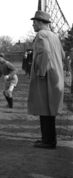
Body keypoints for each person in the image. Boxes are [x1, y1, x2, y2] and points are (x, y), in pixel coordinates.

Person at [28, 10, 65, 149]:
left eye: (34, 22)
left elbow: (45, 51)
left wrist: (42, 71)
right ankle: (48, 138)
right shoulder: (55, 36)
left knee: (44, 108)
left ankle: (48, 141)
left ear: (40, 22)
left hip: (46, 76)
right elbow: (62, 54)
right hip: (56, 75)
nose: (33, 25)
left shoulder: (41, 34)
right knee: (50, 108)